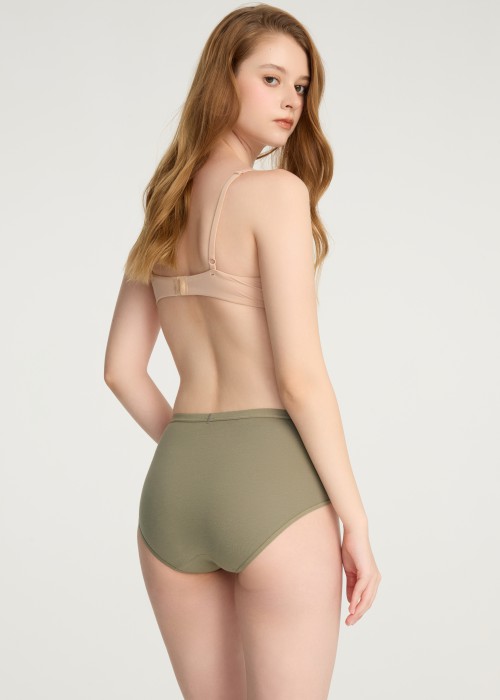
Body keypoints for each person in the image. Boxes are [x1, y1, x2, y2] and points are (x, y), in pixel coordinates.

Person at [104, 3, 381, 699]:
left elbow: (121, 371)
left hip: (173, 491)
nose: (291, 101)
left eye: (301, 87)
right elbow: (300, 379)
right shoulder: (276, 193)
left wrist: (199, 454)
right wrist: (355, 520)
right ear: (221, 80)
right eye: (271, 78)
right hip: (273, 486)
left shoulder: (163, 206)